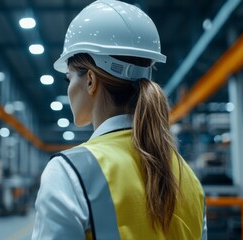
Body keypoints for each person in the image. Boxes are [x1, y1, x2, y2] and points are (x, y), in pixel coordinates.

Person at [32, 0, 207, 239]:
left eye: (68, 78)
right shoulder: (186, 176)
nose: (68, 89)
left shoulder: (70, 173)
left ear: (91, 80)